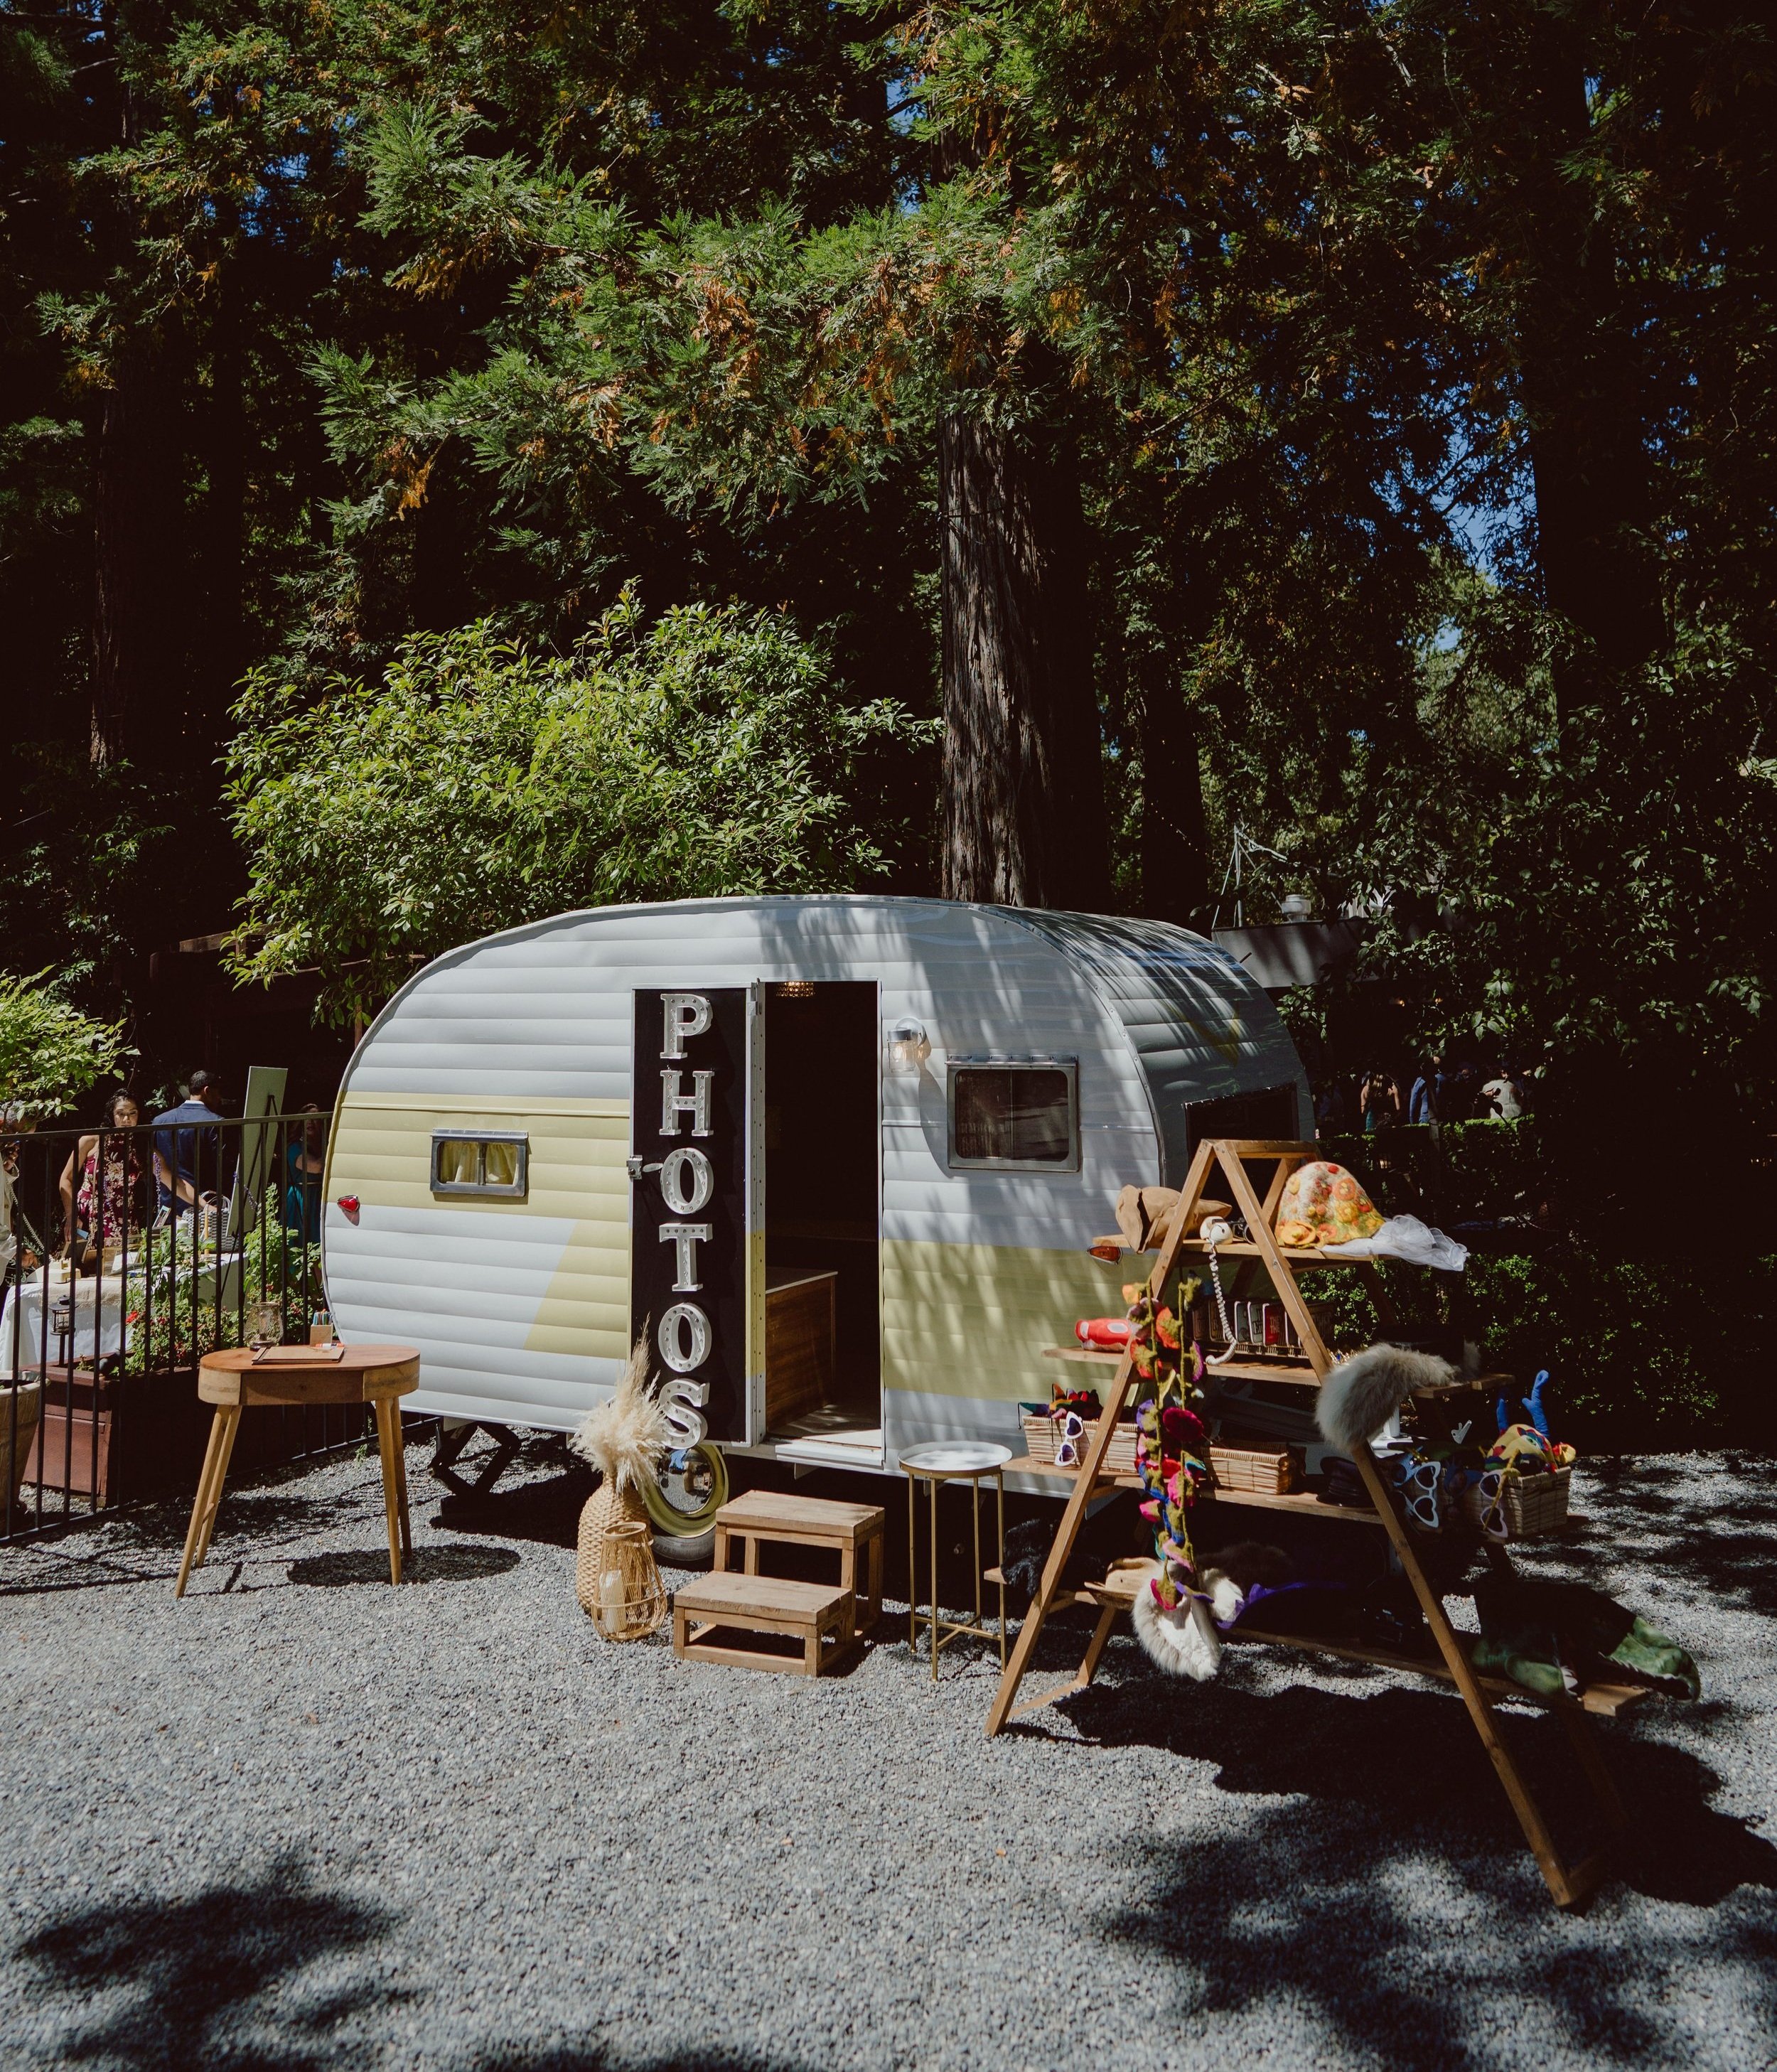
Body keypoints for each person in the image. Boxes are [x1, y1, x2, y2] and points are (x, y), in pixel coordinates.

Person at [58, 1090, 145, 1264]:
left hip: (124, 1218)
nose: (126, 1119)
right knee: (84, 1270)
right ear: (112, 1115)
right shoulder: (92, 1140)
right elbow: (65, 1180)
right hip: (88, 1218)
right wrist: (71, 1216)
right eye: (121, 1114)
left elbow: (171, 1178)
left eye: (132, 1113)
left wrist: (201, 1203)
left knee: (122, 1270)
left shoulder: (141, 1145)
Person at [152, 1070, 227, 1220]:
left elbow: (155, 1167)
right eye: (217, 1093)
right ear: (207, 1091)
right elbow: (221, 1168)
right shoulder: (215, 1123)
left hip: (168, 1210)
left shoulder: (159, 1121)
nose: (219, 1099)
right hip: (205, 1210)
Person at [283, 1105, 327, 1242]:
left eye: (315, 1118)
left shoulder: (322, 1146)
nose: (310, 1122)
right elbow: (317, 1167)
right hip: (303, 1199)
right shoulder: (295, 1148)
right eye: (307, 1118)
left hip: (321, 1196)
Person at [1359, 1068, 1402, 1134]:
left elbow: (1363, 1111)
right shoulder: (1392, 1090)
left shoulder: (1366, 1090)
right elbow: (1398, 1109)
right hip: (1387, 1121)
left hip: (1372, 1122)